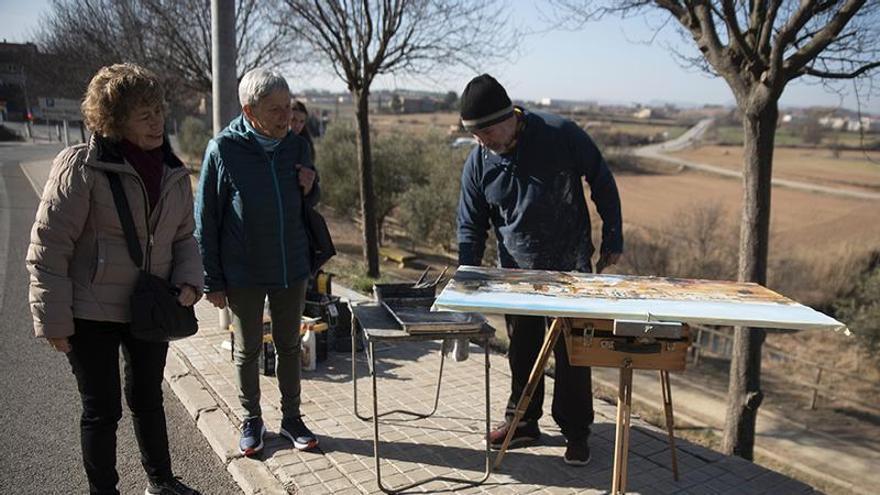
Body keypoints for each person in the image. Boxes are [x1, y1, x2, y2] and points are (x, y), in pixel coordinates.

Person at [27, 63, 203, 495]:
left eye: (158, 111)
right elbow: (49, 246)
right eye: (143, 114)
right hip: (90, 311)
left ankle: (161, 482)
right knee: (102, 410)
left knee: (148, 400)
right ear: (113, 119)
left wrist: (188, 281)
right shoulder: (81, 167)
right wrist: (52, 319)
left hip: (150, 307)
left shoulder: (173, 173)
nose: (156, 121)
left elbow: (185, 237)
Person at [456, 74, 623, 467]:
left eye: (486, 132)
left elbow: (601, 178)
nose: (482, 142)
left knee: (573, 354)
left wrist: (613, 237)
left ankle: (576, 431)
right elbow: (470, 221)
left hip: (570, 267)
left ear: (507, 116)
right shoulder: (480, 160)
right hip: (516, 272)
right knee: (523, 350)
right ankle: (523, 422)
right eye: (475, 135)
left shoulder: (560, 134)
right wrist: (468, 270)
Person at [195, 68, 320, 457]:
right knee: (247, 350)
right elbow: (207, 218)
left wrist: (312, 186)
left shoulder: (296, 146)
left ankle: (292, 419)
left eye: (288, 107)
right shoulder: (224, 149)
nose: (287, 117)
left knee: (288, 345)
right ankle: (252, 420)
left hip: (291, 266)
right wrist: (211, 280)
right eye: (275, 110)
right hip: (244, 272)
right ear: (250, 111)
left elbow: (311, 202)